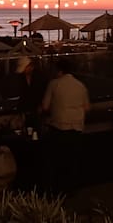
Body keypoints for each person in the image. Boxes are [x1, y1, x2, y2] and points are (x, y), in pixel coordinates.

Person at [40, 62, 90, 193]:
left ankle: (57, 188)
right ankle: (72, 188)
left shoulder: (54, 84)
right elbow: (87, 107)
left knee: (58, 159)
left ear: (59, 71)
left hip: (59, 126)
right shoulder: (80, 85)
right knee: (72, 159)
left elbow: (45, 106)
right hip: (77, 126)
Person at [16, 55, 48, 127]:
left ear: (30, 66)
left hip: (38, 110)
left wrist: (41, 105)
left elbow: (44, 92)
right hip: (27, 109)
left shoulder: (40, 76)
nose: (24, 71)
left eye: (24, 69)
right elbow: (22, 94)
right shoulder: (22, 77)